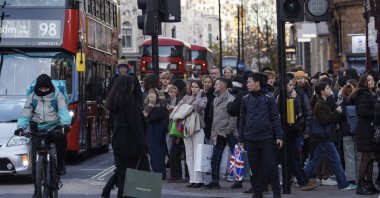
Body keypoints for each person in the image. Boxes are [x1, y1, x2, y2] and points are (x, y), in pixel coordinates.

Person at [15, 74, 71, 197]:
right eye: (41, 89)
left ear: (50, 87)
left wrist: (65, 124)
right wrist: (20, 127)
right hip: (38, 128)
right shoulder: (32, 97)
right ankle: (37, 190)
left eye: (46, 89)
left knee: (61, 139)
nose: (44, 91)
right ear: (37, 88)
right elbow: (25, 113)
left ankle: (60, 164)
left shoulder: (57, 96)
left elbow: (63, 110)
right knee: (35, 161)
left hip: (54, 126)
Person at [304, 82, 357, 191]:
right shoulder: (320, 104)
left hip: (323, 136)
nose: (330, 90)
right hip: (324, 136)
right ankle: (343, 184)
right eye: (328, 88)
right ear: (322, 91)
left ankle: (302, 179)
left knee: (314, 160)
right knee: (336, 160)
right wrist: (336, 112)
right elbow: (324, 121)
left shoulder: (324, 102)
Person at [238, 73, 283, 198]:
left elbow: (275, 117)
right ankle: (258, 192)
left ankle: (276, 192)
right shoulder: (245, 99)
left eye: (249, 82)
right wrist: (241, 138)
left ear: (257, 83)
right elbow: (242, 119)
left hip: (266, 137)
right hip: (250, 137)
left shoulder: (269, 98)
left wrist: (279, 136)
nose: (247, 84)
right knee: (254, 167)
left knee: (271, 165)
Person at [105, 75, 150, 198]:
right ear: (129, 86)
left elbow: (112, 127)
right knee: (138, 177)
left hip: (118, 145)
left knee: (123, 177)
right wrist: (143, 148)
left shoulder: (114, 103)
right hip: (132, 146)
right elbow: (136, 128)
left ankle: (108, 189)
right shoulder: (130, 104)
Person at [284, 77, 318, 191]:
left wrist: (306, 130)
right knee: (291, 158)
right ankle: (302, 181)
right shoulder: (281, 96)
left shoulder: (298, 94)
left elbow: (306, 113)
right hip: (287, 131)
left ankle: (300, 181)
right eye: (289, 85)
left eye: (292, 85)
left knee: (293, 158)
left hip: (294, 130)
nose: (291, 87)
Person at [204, 78, 237, 189]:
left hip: (229, 133)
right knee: (215, 158)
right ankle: (215, 181)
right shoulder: (215, 99)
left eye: (216, 84)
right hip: (218, 132)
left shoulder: (231, 99)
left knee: (236, 157)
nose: (214, 86)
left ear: (223, 86)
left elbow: (233, 117)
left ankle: (238, 181)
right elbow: (215, 117)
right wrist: (213, 131)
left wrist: (228, 131)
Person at [348, 74, 378, 195]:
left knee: (370, 159)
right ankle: (361, 185)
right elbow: (363, 112)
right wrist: (377, 112)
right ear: (364, 82)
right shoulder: (364, 95)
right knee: (366, 159)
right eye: (369, 80)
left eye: (372, 80)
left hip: (368, 130)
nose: (372, 82)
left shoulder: (368, 94)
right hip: (366, 130)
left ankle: (369, 184)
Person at [177, 80, 207, 188]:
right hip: (186, 128)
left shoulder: (203, 98)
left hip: (198, 128)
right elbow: (179, 109)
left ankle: (199, 180)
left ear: (200, 88)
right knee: (189, 155)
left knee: (198, 154)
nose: (194, 89)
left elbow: (197, 107)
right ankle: (192, 179)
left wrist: (199, 95)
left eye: (196, 87)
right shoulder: (185, 97)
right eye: (192, 86)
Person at [143, 74, 168, 180]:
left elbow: (151, 104)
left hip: (154, 122)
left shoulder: (152, 91)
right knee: (161, 148)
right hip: (162, 120)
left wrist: (143, 115)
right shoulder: (160, 91)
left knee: (153, 148)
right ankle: (162, 172)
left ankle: (156, 173)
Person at [202, 75, 215, 144]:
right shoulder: (200, 93)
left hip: (210, 122)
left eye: (209, 82)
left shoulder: (214, 95)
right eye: (205, 82)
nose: (207, 84)